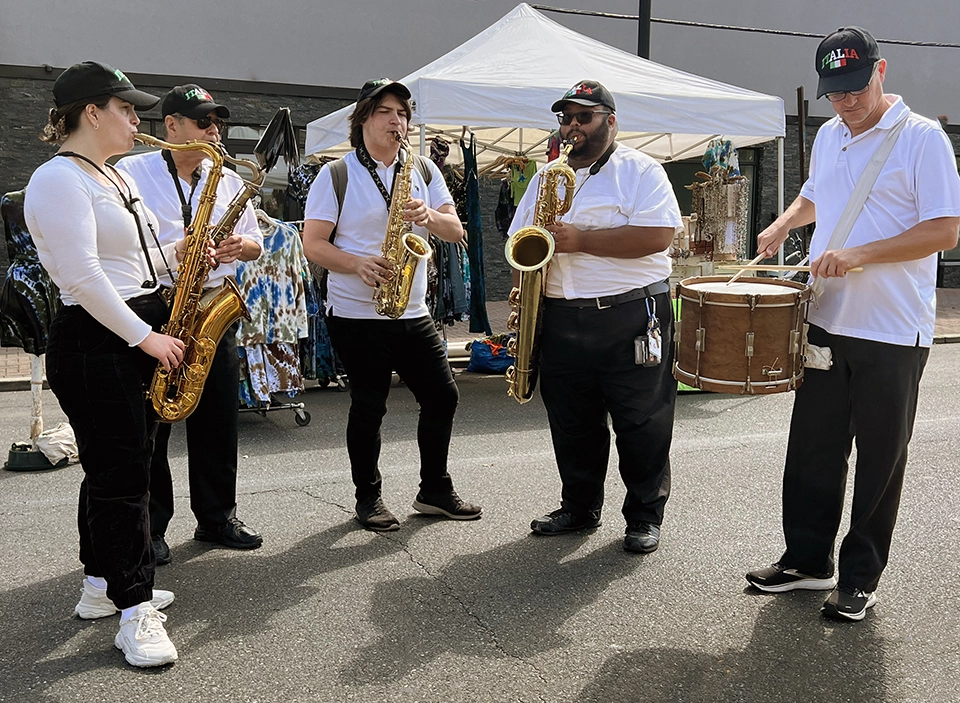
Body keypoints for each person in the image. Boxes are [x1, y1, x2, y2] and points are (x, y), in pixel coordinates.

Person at [746, 27, 960, 621]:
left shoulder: (923, 139)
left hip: (892, 330)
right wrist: (786, 221)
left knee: (880, 459)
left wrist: (861, 254)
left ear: (881, 71)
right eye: (834, 93)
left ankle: (859, 578)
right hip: (828, 320)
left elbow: (945, 230)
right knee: (812, 448)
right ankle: (807, 562)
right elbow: (816, 194)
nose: (846, 103)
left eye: (855, 89)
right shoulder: (830, 136)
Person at [23, 61, 187, 667]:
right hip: (99, 341)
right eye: (127, 109)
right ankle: (135, 610)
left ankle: (101, 585)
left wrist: (189, 251)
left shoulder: (111, 177)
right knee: (125, 480)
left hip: (127, 329)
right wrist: (147, 339)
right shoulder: (58, 179)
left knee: (119, 469)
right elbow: (83, 277)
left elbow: (135, 262)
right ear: (92, 112)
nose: (137, 120)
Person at [509, 80, 682, 553]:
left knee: (641, 421)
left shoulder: (642, 169)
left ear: (609, 120)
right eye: (566, 118)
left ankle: (644, 516)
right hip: (563, 316)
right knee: (572, 421)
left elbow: (657, 236)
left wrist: (581, 240)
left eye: (583, 117)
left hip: (631, 314)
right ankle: (579, 507)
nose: (572, 126)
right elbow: (519, 239)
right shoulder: (548, 176)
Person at [302, 78, 481, 531]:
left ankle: (434, 490)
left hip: (413, 309)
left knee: (443, 396)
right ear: (362, 118)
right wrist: (356, 264)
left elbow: (456, 231)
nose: (396, 121)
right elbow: (313, 245)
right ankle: (369, 498)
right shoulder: (336, 174)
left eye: (403, 113)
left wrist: (431, 216)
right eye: (385, 111)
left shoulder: (422, 168)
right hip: (357, 314)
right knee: (369, 406)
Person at [117, 84, 263, 563]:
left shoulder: (227, 178)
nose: (213, 130)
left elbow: (256, 243)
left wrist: (243, 248)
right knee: (152, 421)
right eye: (203, 122)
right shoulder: (131, 173)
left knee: (219, 418)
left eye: (216, 121)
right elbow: (117, 248)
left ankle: (218, 518)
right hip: (156, 304)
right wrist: (174, 251)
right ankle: (151, 528)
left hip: (212, 303)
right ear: (173, 125)